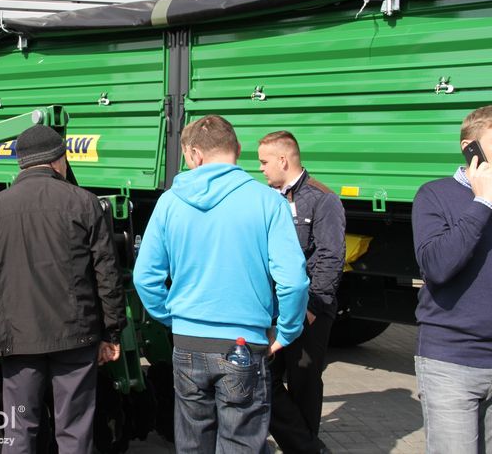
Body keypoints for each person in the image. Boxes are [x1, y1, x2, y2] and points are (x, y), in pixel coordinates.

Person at [133, 115, 309, 453]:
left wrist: (173, 317)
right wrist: (286, 332)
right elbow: (293, 282)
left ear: (195, 155)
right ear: (238, 150)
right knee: (241, 442)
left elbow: (145, 277)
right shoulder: (269, 202)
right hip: (245, 342)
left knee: (193, 441)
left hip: (187, 342)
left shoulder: (169, 203)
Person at [0, 123, 126, 454]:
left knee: (19, 431)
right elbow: (107, 275)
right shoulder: (84, 202)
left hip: (16, 339)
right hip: (75, 338)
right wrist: (111, 334)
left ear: (21, 163)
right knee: (75, 432)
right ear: (59, 160)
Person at [412, 104, 492, 454]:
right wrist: (482, 202)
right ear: (470, 148)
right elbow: (437, 266)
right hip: (451, 362)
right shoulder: (434, 195)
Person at [257, 131, 345, 454]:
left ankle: (304, 445)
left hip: (310, 311)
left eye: (265, 162)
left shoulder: (323, 199)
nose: (262, 169)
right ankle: (307, 447)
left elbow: (331, 258)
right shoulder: (267, 199)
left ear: (283, 159)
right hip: (274, 309)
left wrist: (308, 312)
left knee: (305, 382)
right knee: (263, 378)